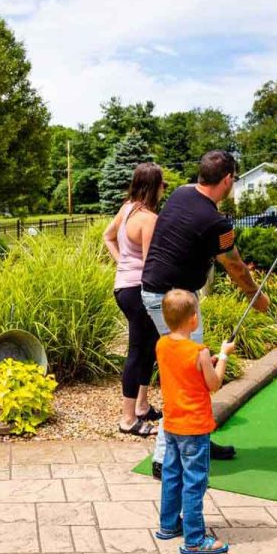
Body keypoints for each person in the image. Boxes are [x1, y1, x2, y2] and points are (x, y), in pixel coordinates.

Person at [141, 150, 268, 475]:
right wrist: (255, 295)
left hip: (158, 292)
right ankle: (162, 459)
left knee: (187, 372)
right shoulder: (216, 222)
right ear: (227, 180)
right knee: (190, 376)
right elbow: (234, 264)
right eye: (234, 180)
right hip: (173, 299)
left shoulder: (183, 193)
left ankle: (200, 437)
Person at [153, 288, 233, 554]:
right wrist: (222, 356)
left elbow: (184, 372)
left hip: (172, 424)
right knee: (194, 481)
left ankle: (167, 525)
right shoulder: (199, 351)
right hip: (195, 427)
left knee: (172, 475)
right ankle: (195, 540)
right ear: (193, 319)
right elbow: (214, 384)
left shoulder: (162, 345)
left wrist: (205, 363)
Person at [103, 162, 165, 436]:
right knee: (138, 351)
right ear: (154, 187)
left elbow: (108, 237)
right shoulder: (149, 219)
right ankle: (128, 419)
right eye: (162, 184)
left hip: (124, 288)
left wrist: (122, 265)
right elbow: (152, 265)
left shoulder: (127, 208)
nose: (164, 189)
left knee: (149, 347)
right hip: (137, 291)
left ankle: (142, 406)